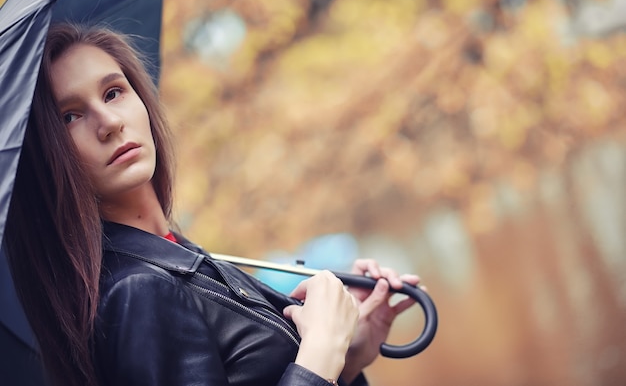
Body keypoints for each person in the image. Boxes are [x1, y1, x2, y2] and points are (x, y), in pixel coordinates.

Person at [4, 23, 421, 386]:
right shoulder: (140, 293)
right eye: (69, 116)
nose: (109, 123)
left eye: (113, 92)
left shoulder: (179, 257)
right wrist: (318, 360)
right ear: (46, 160)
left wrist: (348, 356)